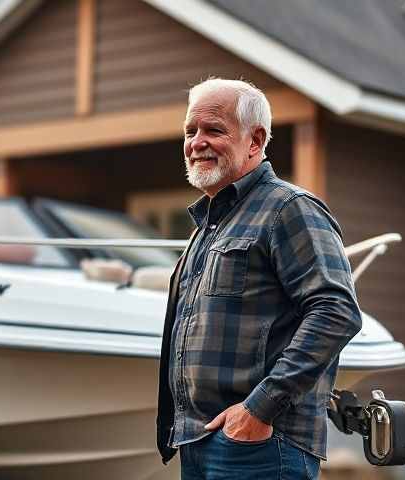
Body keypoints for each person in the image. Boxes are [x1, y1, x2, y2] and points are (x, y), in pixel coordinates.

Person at [156, 78, 362, 479]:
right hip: (199, 441)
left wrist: (259, 409)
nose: (197, 141)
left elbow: (337, 311)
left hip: (261, 445)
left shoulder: (289, 209)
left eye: (214, 129)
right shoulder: (207, 227)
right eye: (190, 131)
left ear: (255, 141)